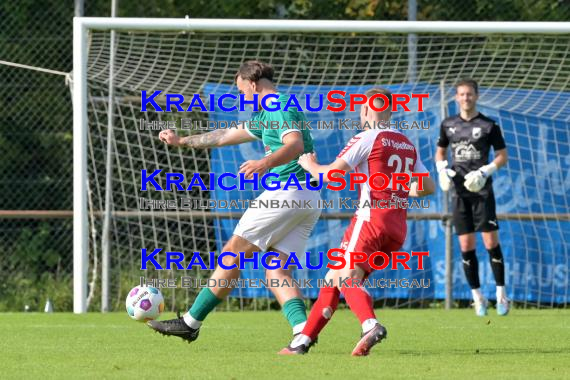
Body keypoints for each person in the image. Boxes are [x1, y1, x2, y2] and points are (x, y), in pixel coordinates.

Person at [148, 60, 321, 342]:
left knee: (232, 253)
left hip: (286, 194)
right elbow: (225, 135)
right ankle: (303, 332)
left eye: (242, 91)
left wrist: (264, 163)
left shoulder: (278, 106)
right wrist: (182, 141)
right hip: (309, 197)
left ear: (253, 84)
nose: (241, 97)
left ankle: (190, 322)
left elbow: (295, 145)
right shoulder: (268, 113)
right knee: (276, 268)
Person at [279, 88, 435, 356]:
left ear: (365, 109)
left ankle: (370, 325)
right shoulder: (406, 143)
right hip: (396, 228)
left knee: (345, 276)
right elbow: (427, 187)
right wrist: (394, 188)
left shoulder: (366, 137)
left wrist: (310, 165)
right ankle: (301, 342)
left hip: (370, 219)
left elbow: (331, 175)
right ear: (390, 110)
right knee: (333, 278)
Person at [435, 78, 509, 316]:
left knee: (490, 243)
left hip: (482, 191)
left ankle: (501, 295)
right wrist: (441, 170)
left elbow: (501, 156)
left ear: (476, 96)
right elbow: (440, 152)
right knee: (466, 245)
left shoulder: (489, 125)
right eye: (461, 94)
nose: (465, 98)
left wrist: (485, 170)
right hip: (459, 192)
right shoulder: (448, 124)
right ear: (456, 97)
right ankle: (477, 298)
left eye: (469, 94)